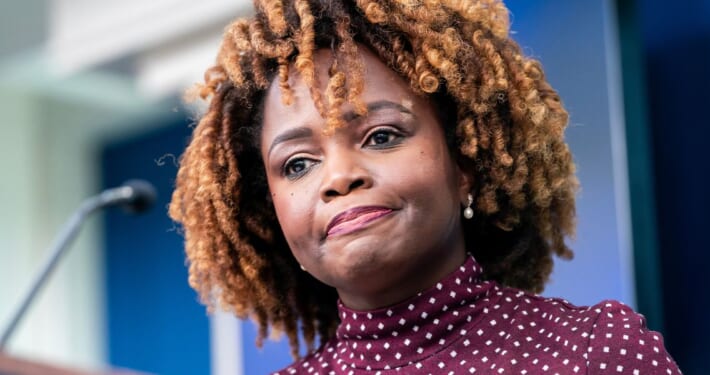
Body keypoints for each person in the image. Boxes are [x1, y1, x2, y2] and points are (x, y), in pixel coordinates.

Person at [168, 0, 682, 373]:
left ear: (466, 165)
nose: (339, 177)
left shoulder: (594, 351)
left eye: (382, 135)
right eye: (298, 164)